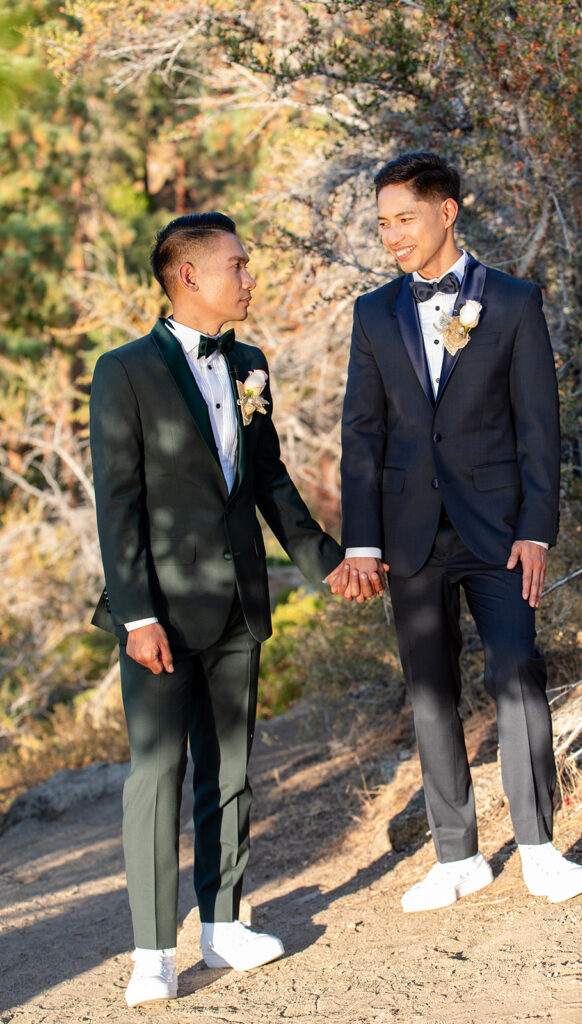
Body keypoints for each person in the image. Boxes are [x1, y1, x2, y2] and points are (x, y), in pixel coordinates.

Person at [327, 152, 582, 912]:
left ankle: (540, 849)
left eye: (403, 219)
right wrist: (362, 542)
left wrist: (536, 529)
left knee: (516, 673)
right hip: (408, 535)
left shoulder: (512, 302)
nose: (391, 237)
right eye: (381, 225)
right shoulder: (373, 313)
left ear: (447, 211)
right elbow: (362, 431)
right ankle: (456, 856)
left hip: (499, 531)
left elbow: (538, 427)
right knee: (428, 692)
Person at [89, 212, 342, 1006]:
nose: (249, 276)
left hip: (240, 603)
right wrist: (135, 617)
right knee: (158, 775)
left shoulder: (252, 364)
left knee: (231, 770)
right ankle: (153, 952)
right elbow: (117, 503)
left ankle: (225, 923)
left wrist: (327, 561)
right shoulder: (124, 370)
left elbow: (268, 482)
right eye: (237, 264)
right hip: (159, 613)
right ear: (189, 276)